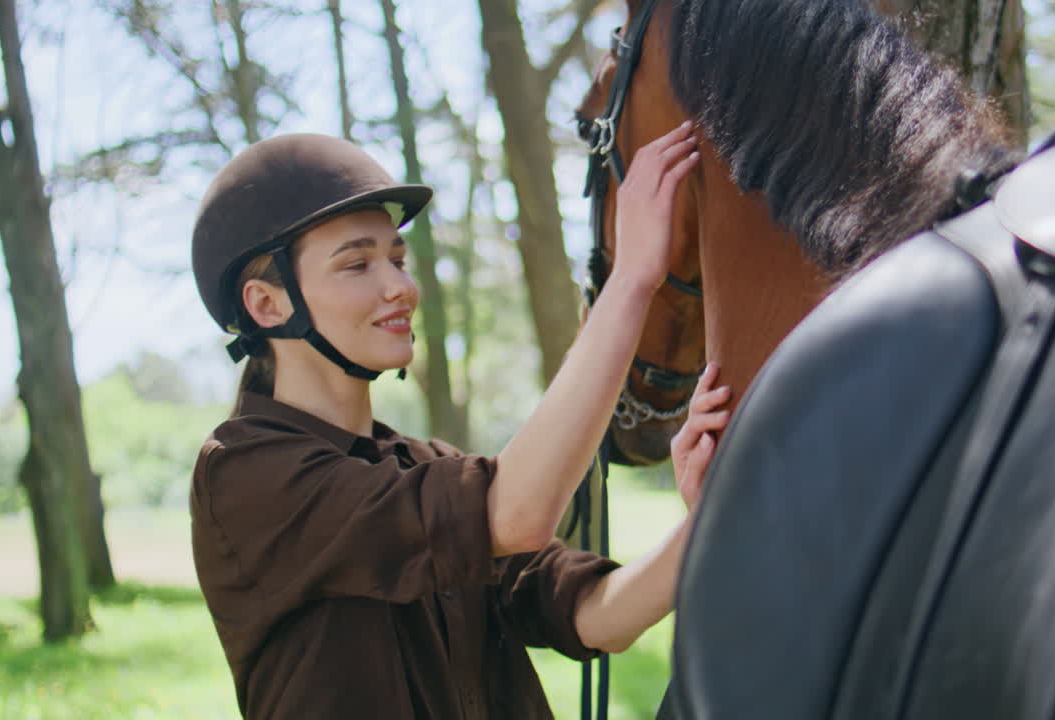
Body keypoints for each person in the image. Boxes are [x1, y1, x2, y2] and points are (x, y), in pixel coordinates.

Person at [187, 125, 732, 719]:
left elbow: (595, 615)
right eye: (357, 265)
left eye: (396, 258)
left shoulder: (427, 465)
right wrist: (631, 280)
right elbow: (515, 513)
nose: (401, 286)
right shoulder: (246, 474)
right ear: (266, 304)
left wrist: (706, 522)